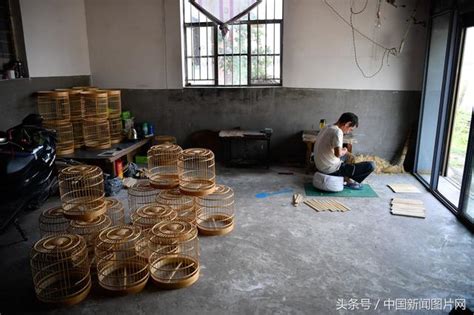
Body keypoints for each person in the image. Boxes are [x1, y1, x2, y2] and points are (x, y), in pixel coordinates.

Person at [313, 112, 375, 189]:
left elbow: (332, 149)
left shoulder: (326, 127)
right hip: (330, 170)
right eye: (350, 129)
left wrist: (345, 152)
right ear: (347, 124)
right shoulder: (337, 131)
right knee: (371, 165)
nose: (348, 132)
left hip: (319, 166)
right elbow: (338, 154)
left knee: (350, 156)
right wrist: (345, 150)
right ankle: (349, 181)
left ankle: (346, 177)